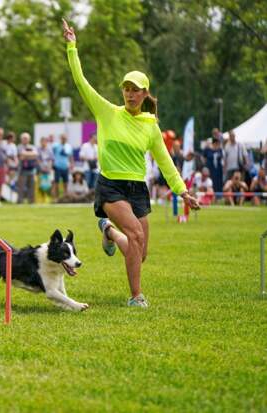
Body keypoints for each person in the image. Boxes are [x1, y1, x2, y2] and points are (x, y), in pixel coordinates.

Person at [63, 18, 199, 308]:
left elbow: (165, 161)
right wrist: (72, 47)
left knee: (140, 251)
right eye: (126, 88)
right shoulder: (107, 112)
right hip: (110, 185)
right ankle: (136, 297)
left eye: (136, 89)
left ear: (145, 93)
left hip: (138, 188)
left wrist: (182, 191)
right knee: (136, 234)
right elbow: (80, 82)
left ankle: (108, 231)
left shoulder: (151, 125)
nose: (130, 93)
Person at [16, 132, 38, 204]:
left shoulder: (33, 146)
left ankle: (31, 201)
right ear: (21, 139)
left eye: (26, 138)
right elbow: (21, 156)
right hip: (22, 170)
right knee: (21, 187)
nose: (25, 140)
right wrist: (30, 155)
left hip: (32, 170)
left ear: (29, 139)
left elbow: (35, 155)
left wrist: (25, 155)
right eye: (24, 138)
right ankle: (20, 201)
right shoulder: (19, 146)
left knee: (31, 187)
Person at [52, 134, 74, 201]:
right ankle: (56, 198)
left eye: (65, 138)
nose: (64, 139)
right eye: (62, 138)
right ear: (60, 138)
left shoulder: (69, 146)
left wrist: (72, 164)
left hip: (65, 166)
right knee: (56, 183)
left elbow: (70, 156)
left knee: (66, 183)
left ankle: (65, 198)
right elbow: (52, 155)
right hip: (57, 166)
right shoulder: (56, 146)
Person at [37, 136, 54, 203]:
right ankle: (41, 198)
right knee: (41, 185)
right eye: (42, 141)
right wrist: (42, 167)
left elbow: (51, 160)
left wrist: (49, 168)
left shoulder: (49, 150)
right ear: (40, 142)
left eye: (45, 141)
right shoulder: (38, 149)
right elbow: (38, 159)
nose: (43, 143)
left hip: (48, 170)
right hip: (41, 170)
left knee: (49, 184)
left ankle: (49, 198)